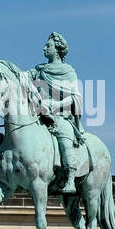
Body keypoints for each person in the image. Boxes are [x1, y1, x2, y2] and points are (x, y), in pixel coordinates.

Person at [26, 31, 83, 193]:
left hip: (61, 116)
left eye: (48, 46)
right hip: (39, 115)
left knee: (64, 136)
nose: (44, 48)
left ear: (57, 49)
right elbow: (22, 78)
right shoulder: (39, 70)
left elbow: (76, 98)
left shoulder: (68, 72)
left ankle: (70, 178)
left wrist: (56, 105)